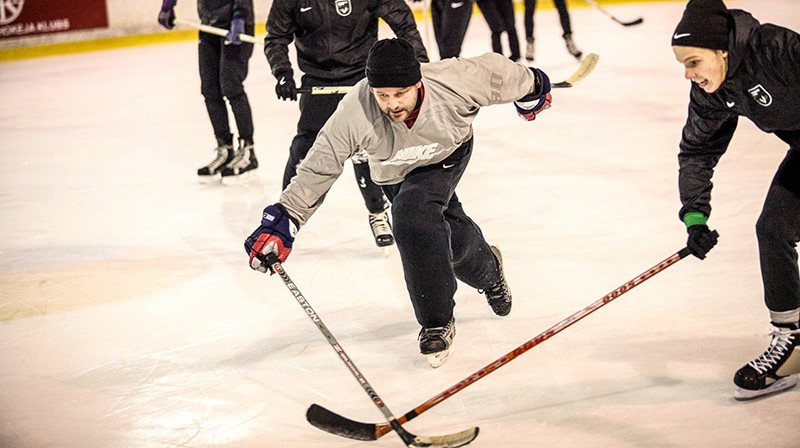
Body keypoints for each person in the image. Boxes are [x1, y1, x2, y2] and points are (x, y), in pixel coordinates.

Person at [245, 38, 552, 367]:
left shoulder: (455, 81)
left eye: (401, 93)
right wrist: (284, 218)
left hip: (447, 154)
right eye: (383, 95)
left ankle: (436, 321)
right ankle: (489, 270)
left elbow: (500, 73)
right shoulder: (356, 109)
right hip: (395, 172)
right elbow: (321, 163)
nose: (392, 104)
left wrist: (534, 87)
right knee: (442, 230)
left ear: (418, 81)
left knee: (412, 217)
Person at [671, 0, 800, 400]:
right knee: (773, 230)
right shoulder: (714, 90)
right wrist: (694, 217)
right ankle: (792, 341)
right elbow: (698, 151)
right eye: (684, 66)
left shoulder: (776, 49)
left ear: (721, 51)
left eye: (694, 62)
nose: (689, 75)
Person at [264, 0, 428, 247]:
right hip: (317, 80)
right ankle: (286, 216)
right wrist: (282, 72)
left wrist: (418, 64)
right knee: (305, 147)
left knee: (368, 148)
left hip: (361, 78)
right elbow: (276, 36)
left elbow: (403, 22)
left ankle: (377, 212)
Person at [158, 0, 259, 185]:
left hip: (237, 23)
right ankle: (225, 149)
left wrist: (239, 16)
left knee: (232, 86)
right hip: (209, 24)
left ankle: (248, 151)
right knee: (210, 89)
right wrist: (168, 5)